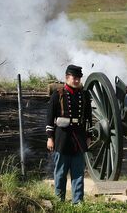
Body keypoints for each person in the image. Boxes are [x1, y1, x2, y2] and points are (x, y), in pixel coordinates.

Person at [46, 64, 92, 204]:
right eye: (74, 77)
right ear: (67, 77)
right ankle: (59, 200)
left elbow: (89, 118)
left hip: (78, 138)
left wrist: (89, 136)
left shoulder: (84, 95)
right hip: (62, 138)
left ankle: (78, 202)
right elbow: (50, 117)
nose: (77, 80)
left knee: (78, 173)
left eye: (79, 78)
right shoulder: (58, 94)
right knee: (60, 173)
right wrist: (50, 138)